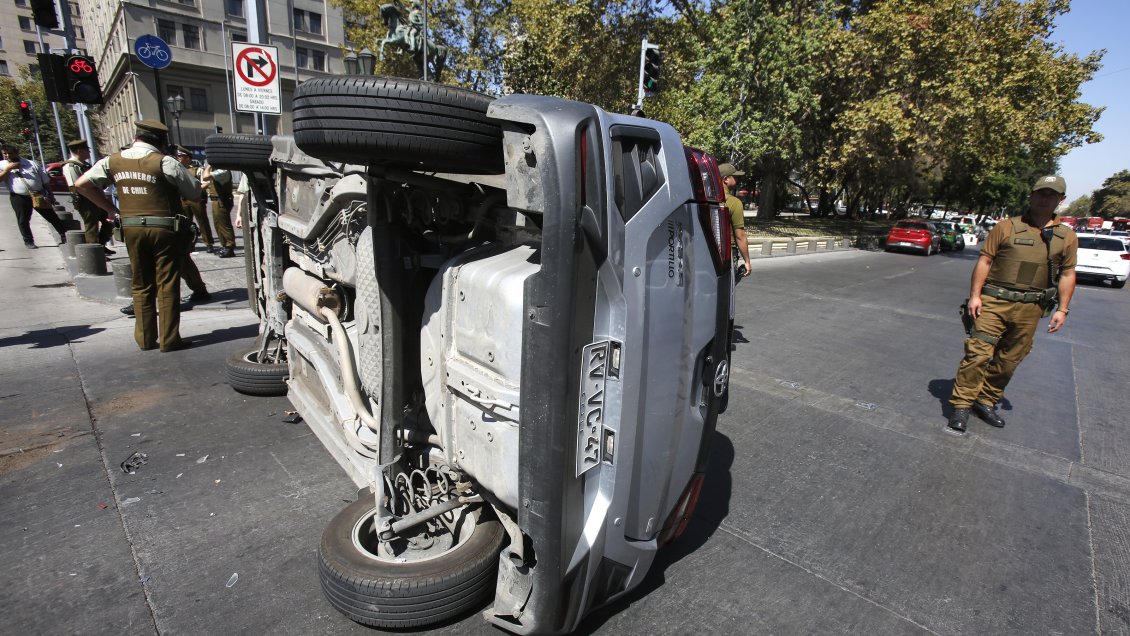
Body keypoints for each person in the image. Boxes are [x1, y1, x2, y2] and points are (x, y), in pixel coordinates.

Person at [947, 175, 1078, 434]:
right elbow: (984, 261)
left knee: (1009, 359)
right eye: (1040, 193)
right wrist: (975, 295)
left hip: (1031, 308)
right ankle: (962, 405)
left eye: (1051, 195)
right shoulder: (1006, 227)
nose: (1044, 198)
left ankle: (985, 400)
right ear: (1031, 195)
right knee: (978, 354)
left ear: (1060, 200)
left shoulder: (1067, 236)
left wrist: (1062, 309)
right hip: (994, 302)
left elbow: (1067, 274)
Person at [74, 120, 201, 352]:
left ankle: (144, 339)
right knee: (167, 283)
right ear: (160, 142)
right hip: (164, 229)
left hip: (131, 229)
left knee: (141, 283)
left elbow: (81, 184)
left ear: (136, 137)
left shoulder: (112, 161)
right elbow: (193, 192)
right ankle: (170, 339)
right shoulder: (164, 162)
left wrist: (110, 209)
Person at [0, 144, 69, 249]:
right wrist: (7, 169)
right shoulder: (2, 165)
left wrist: (50, 194)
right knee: (23, 220)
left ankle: (64, 235)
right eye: (5, 154)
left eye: (10, 153)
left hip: (38, 194)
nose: (7, 156)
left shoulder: (30, 163)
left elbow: (45, 180)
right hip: (19, 197)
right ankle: (29, 241)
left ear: (16, 153)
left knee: (51, 216)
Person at [62, 139, 114, 252]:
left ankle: (101, 245)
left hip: (96, 198)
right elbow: (76, 186)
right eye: (87, 150)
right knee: (92, 226)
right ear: (79, 151)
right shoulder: (71, 166)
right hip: (86, 200)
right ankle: (94, 252)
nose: (89, 152)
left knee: (109, 221)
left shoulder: (84, 164)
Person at [175, 147, 215, 252]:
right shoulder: (178, 169)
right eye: (178, 156)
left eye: (180, 156)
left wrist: (193, 190)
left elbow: (205, 183)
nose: (178, 158)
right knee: (185, 223)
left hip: (196, 199)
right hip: (183, 199)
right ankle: (188, 243)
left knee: (202, 221)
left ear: (187, 158)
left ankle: (208, 243)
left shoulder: (197, 169)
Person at [718, 163, 751, 279]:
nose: (736, 179)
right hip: (728, 253)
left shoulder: (707, 199)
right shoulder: (734, 202)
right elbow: (740, 236)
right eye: (734, 176)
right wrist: (747, 261)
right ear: (726, 179)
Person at [201, 160, 236, 258]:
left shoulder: (223, 171)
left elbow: (205, 176)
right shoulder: (218, 171)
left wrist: (208, 167)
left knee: (224, 224)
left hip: (221, 201)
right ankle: (224, 245)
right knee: (218, 224)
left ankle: (229, 247)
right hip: (216, 200)